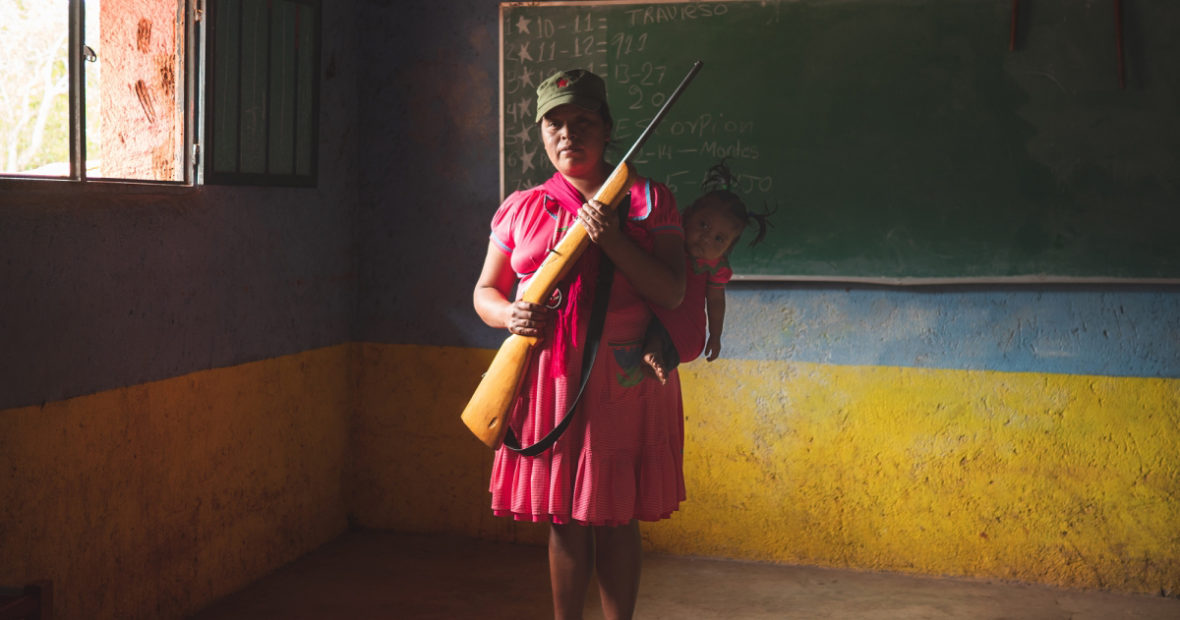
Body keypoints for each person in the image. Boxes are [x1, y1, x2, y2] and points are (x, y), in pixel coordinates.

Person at [472, 68, 687, 620]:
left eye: (583, 121)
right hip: (551, 377)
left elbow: (671, 288)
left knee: (616, 516)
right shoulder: (522, 206)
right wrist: (508, 314)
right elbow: (485, 291)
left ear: (608, 128)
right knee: (563, 518)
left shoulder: (645, 199)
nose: (568, 134)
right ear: (542, 133)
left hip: (625, 376)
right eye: (555, 123)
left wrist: (611, 238)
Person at [642, 161, 773, 383]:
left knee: (687, 346)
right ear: (688, 214)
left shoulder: (715, 267)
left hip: (685, 325)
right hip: (654, 310)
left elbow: (715, 301)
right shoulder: (668, 242)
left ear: (727, 248)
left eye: (719, 239)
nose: (706, 237)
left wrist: (715, 335)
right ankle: (652, 348)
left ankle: (658, 356)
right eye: (703, 225)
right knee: (651, 323)